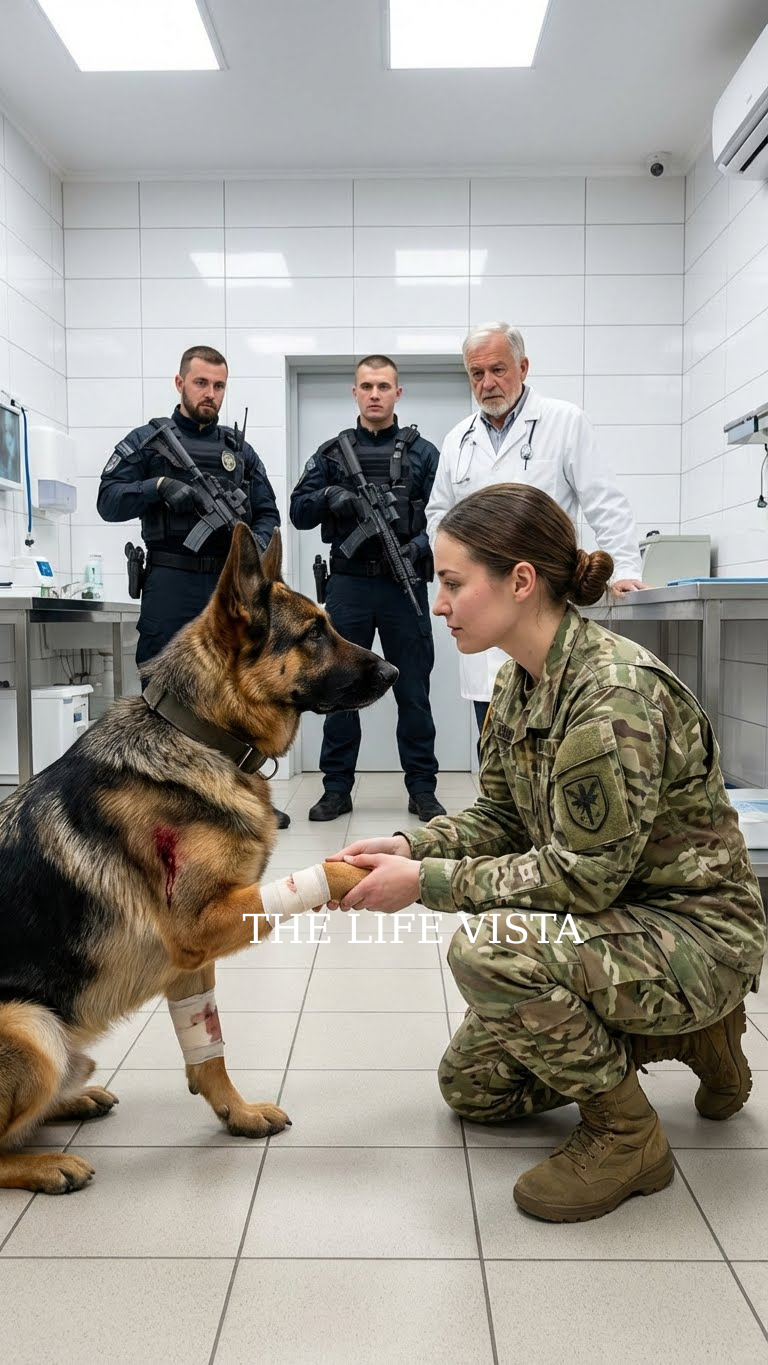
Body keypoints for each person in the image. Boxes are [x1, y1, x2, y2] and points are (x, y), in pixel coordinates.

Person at [328, 482, 766, 1223]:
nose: (439, 604)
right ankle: (693, 1037)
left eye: (454, 583)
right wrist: (410, 843)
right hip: (619, 920)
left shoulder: (612, 697)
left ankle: (627, 1135)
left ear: (521, 581)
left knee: (491, 949)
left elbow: (582, 879)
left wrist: (424, 881)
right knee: (473, 1088)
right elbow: (501, 816)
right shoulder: (519, 680)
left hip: (696, 933)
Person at [97, 343, 291, 828]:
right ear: (180, 383)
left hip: (228, 589)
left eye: (219, 385)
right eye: (201, 383)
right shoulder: (148, 441)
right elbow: (108, 499)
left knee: (237, 688)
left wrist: (253, 547)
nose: (210, 393)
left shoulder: (239, 452)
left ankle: (240, 796)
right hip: (171, 578)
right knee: (161, 690)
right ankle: (158, 800)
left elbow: (269, 512)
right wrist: (158, 488)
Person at [426, 322, 646, 738]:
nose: (487, 383)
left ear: (523, 367)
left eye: (498, 369)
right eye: (477, 373)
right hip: (484, 602)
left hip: (540, 602)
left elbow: (604, 500)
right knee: (495, 738)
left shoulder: (564, 422)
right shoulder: (458, 440)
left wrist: (625, 569)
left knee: (554, 729)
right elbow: (438, 515)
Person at [290, 354, 446, 823]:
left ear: (398, 393)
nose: (374, 394)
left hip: (404, 585)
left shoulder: (423, 453)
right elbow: (298, 511)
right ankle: (336, 789)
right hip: (349, 586)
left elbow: (448, 514)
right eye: (366, 386)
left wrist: (419, 546)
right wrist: (329, 495)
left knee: (413, 693)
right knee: (338, 688)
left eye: (383, 386)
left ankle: (423, 790)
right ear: (354, 393)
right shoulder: (331, 453)